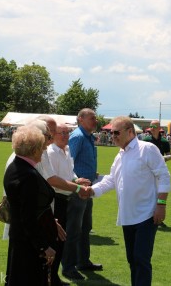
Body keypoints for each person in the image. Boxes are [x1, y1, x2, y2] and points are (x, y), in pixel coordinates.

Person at [89, 116, 171, 286]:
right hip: (128, 216)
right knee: (133, 260)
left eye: (116, 132)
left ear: (130, 132)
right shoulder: (120, 155)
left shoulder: (147, 149)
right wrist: (91, 190)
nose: (113, 136)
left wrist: (161, 205)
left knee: (141, 259)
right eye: (111, 133)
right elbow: (112, 179)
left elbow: (164, 176)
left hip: (147, 215)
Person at [4, 125, 67, 286]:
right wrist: (44, 247)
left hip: (22, 239)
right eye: (42, 147)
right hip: (28, 245)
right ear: (34, 150)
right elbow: (29, 218)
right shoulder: (28, 175)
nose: (44, 150)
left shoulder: (17, 167)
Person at [47, 123, 92, 283]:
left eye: (67, 132)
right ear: (53, 135)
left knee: (63, 238)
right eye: (62, 133)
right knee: (56, 239)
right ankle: (52, 275)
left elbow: (69, 172)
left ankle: (55, 275)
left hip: (66, 199)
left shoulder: (66, 150)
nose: (65, 136)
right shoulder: (51, 152)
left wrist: (75, 179)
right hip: (56, 200)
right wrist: (77, 186)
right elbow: (53, 180)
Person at [64, 108, 102, 279]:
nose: (95, 121)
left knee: (85, 227)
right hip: (78, 191)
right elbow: (68, 162)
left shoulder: (87, 137)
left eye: (95, 118)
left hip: (87, 189)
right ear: (80, 119)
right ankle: (69, 267)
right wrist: (76, 182)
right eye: (92, 118)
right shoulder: (78, 137)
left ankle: (83, 261)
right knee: (74, 229)